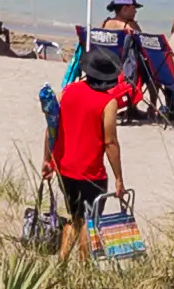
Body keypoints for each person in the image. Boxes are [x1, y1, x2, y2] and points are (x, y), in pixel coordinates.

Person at [50, 47, 126, 264]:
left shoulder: (67, 91)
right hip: (91, 172)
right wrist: (119, 178)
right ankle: (85, 267)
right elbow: (110, 142)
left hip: (64, 167)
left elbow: (51, 128)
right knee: (89, 222)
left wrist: (48, 159)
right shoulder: (108, 103)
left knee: (74, 218)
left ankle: (62, 262)